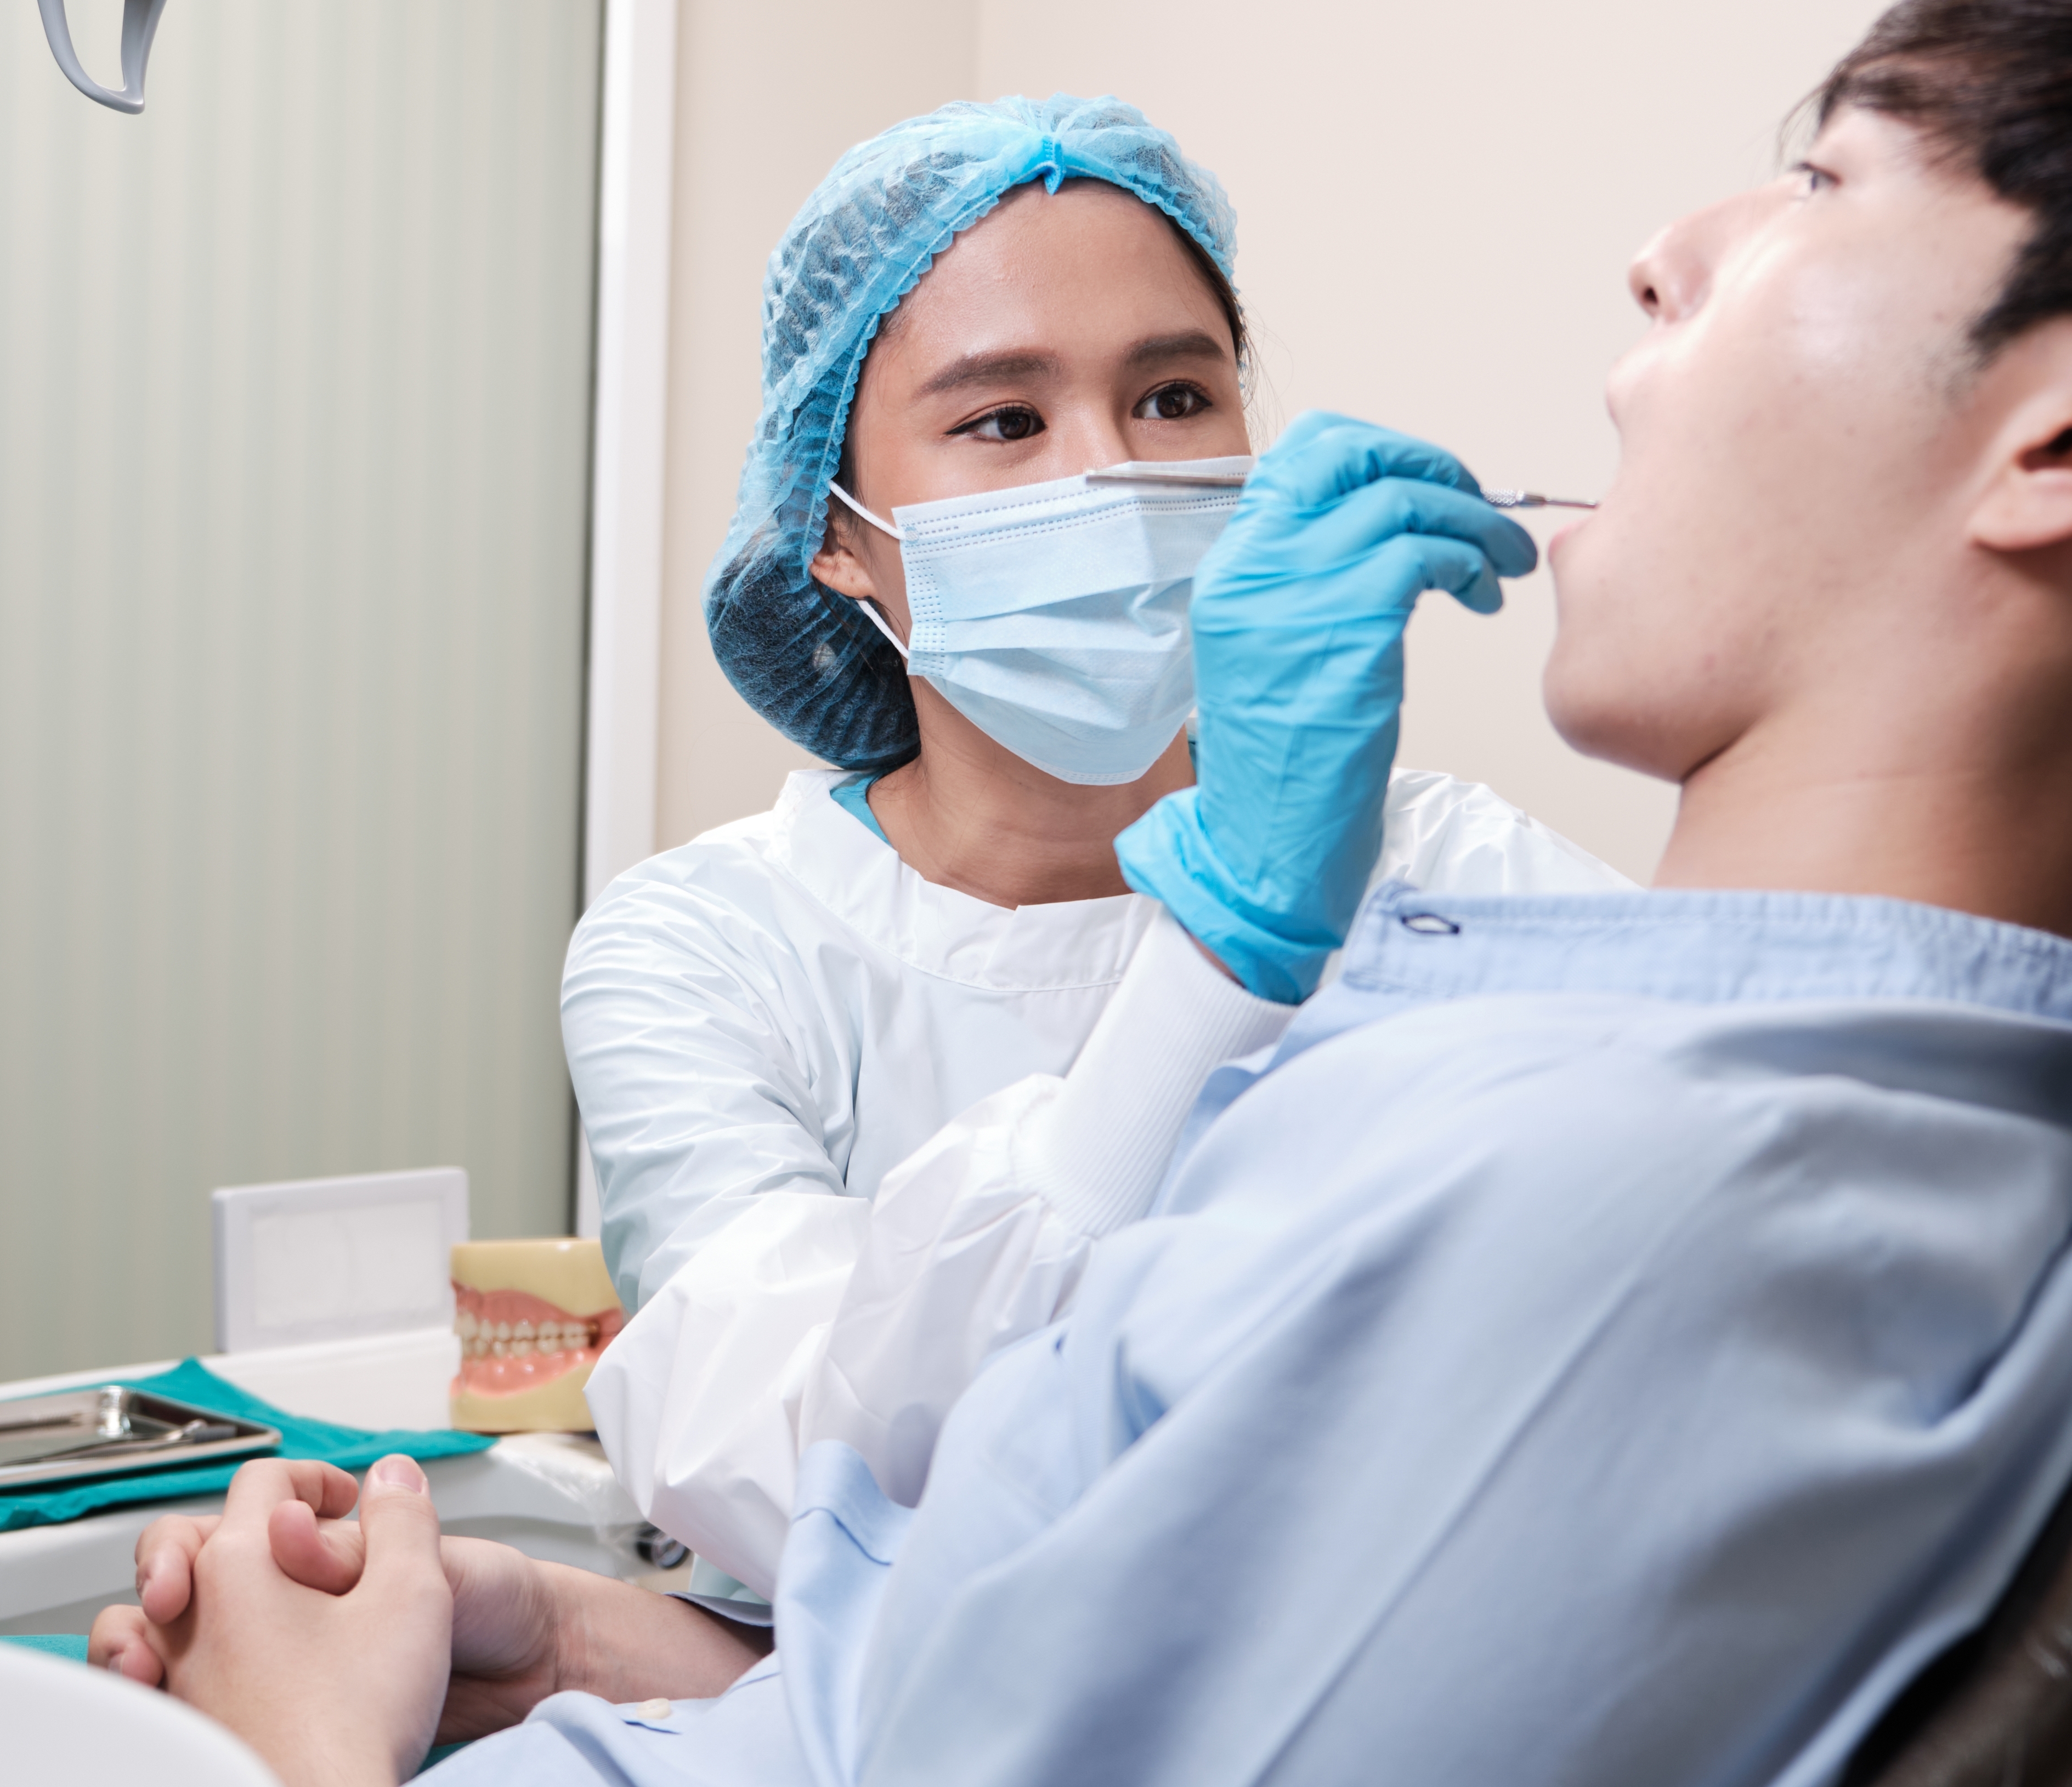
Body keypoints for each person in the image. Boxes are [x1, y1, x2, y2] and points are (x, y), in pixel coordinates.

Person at [98, 0, 2072, 1787]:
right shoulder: (1729, 1112)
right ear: (837, 537)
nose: (1666, 250)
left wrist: (282, 1753)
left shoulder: (1622, 1197)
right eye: (998, 421)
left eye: (1823, 183)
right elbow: (1062, 1661)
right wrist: (628, 1644)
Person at [564, 95, 1620, 1598]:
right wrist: (1228, 943)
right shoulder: (714, 942)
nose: (1110, 478)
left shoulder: (1439, 867)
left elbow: (1810, 1169)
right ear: (839, 533)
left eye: (1176, 398)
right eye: (1003, 420)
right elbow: (794, 1476)